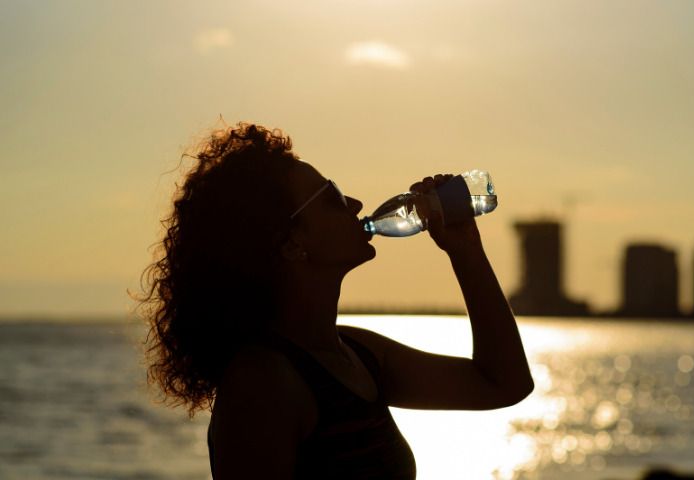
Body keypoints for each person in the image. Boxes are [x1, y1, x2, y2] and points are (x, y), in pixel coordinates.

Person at [136, 122, 534, 479]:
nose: (356, 204)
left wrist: (465, 250)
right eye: (332, 196)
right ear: (292, 243)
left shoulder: (358, 355)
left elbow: (503, 384)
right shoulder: (262, 384)